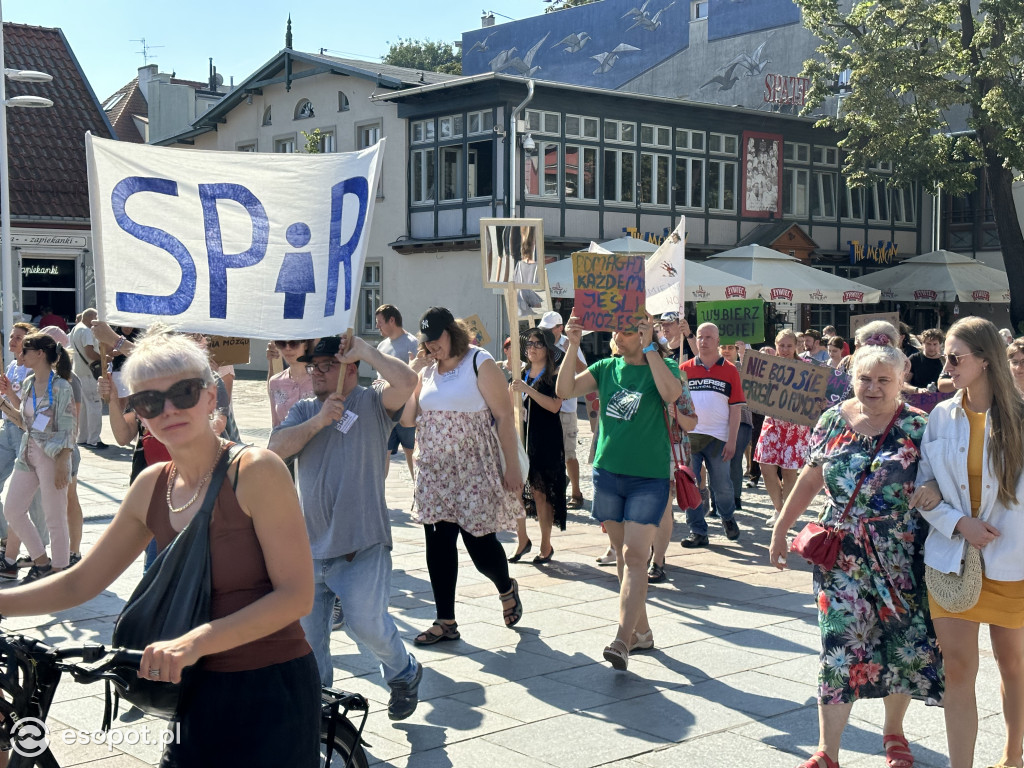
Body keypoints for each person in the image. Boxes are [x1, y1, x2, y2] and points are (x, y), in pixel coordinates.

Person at [0, 328, 319, 765]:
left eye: (184, 392)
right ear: (139, 415)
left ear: (211, 397)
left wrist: (193, 642)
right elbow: (81, 583)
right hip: (193, 689)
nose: (168, 409)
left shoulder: (254, 470)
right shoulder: (152, 485)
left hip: (268, 690)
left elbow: (297, 596)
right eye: (149, 401)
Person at [769, 343, 943, 768]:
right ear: (852, 379)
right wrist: (780, 527)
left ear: (902, 381)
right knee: (837, 645)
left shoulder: (920, 427)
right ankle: (828, 750)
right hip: (841, 556)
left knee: (899, 643)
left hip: (899, 555)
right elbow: (811, 478)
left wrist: (934, 490)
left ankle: (893, 732)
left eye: (884, 380)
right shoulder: (833, 420)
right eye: (865, 378)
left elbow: (945, 480)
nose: (874, 387)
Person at [268, 334, 423, 721]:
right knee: (307, 642)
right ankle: (321, 708)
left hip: (361, 545)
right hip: (309, 549)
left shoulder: (371, 402)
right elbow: (273, 449)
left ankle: (404, 670)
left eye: (326, 366)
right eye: (314, 367)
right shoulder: (305, 409)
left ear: (349, 368)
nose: (317, 373)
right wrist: (321, 420)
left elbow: (407, 384)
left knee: (366, 624)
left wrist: (368, 351)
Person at [911, 316, 1024, 768]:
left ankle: (1013, 757)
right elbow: (924, 487)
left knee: (1012, 666)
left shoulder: (1019, 415)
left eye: (955, 357)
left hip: (1010, 558)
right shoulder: (942, 414)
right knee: (957, 671)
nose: (947, 364)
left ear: (984, 360)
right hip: (952, 557)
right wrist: (958, 522)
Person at [556, 314, 682, 670]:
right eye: (618, 330)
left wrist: (652, 349)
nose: (619, 336)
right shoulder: (606, 367)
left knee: (636, 555)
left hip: (649, 477)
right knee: (623, 557)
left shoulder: (665, 363)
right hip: (608, 473)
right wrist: (573, 344)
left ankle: (621, 640)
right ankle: (641, 632)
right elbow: (564, 391)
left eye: (628, 330)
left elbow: (672, 394)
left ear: (644, 332)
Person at [402, 308, 525, 645]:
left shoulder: (478, 361)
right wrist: (414, 373)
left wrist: (511, 466)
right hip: (434, 471)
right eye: (427, 343)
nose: (432, 348)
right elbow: (409, 419)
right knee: (438, 545)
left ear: (451, 333)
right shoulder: (427, 370)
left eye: (436, 340)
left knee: (480, 544)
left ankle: (505, 586)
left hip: (473, 467)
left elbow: (503, 415)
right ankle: (446, 620)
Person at [0, 332, 76, 582]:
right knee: (13, 510)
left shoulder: (61, 386)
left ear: (40, 354)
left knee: (55, 516)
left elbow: (68, 427)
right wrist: (4, 405)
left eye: (25, 350)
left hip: (52, 456)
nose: (20, 355)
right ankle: (42, 562)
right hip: (28, 451)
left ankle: (60, 571)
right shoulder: (31, 382)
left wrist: (64, 462)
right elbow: (26, 422)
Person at [679, 323, 744, 547]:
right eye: (700, 337)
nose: (704, 341)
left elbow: (736, 408)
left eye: (708, 337)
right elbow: (676, 401)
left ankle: (727, 517)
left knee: (722, 485)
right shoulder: (684, 368)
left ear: (717, 341)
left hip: (718, 438)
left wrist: (732, 441)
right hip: (690, 437)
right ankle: (697, 530)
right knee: (690, 483)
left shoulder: (730, 370)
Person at [508, 327, 565, 565]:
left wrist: (527, 390)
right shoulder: (520, 372)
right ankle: (522, 539)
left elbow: (555, 406)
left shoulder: (554, 375)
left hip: (544, 439)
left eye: (536, 344)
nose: (530, 348)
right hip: (520, 438)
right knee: (514, 490)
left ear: (548, 350)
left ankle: (545, 543)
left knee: (541, 494)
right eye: (529, 344)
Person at [754, 329, 811, 526]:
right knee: (766, 467)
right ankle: (780, 509)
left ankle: (785, 515)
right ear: (776, 346)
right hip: (773, 424)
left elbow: (817, 395)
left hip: (796, 427)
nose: (785, 349)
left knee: (789, 471)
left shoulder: (808, 368)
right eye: (782, 345)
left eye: (789, 345)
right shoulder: (769, 366)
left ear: (796, 346)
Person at [648, 372, 697, 583]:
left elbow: (691, 423)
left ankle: (657, 560)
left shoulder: (676, 380)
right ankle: (647, 551)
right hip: (636, 451)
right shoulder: (629, 373)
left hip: (668, 450)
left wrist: (674, 412)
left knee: (663, 507)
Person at [0, 323, 45, 554]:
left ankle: (41, 545)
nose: (12, 341)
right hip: (7, 429)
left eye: (18, 337)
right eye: (11, 336)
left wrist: (7, 395)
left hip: (24, 431)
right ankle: (5, 536)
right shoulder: (10, 366)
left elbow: (28, 409)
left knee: (32, 493)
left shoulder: (33, 370)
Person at [538, 311, 587, 509]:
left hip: (565, 407)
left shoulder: (569, 342)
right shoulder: (540, 343)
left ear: (559, 328)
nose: (546, 333)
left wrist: (571, 350)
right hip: (545, 406)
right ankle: (553, 491)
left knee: (569, 453)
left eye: (549, 330)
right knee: (547, 452)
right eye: (544, 330)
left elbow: (584, 369)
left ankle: (576, 492)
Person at [376, 304, 419, 478]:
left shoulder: (412, 344)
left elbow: (418, 376)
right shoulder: (381, 346)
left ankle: (418, 494)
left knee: (411, 451)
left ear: (391, 320)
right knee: (384, 452)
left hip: (407, 409)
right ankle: (380, 499)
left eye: (380, 322)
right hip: (385, 410)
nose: (377, 326)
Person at [68, 308, 105, 448]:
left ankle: (82, 437)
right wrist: (104, 359)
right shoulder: (87, 331)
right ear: (91, 318)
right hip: (89, 373)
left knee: (83, 407)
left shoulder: (75, 329)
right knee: (95, 405)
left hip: (78, 372)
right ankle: (94, 439)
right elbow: (90, 352)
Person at [265, 339, 315, 428]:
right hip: (286, 440)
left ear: (306, 345)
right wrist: (271, 362)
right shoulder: (275, 382)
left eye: (294, 343)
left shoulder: (320, 379)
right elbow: (276, 424)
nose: (287, 348)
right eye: (281, 343)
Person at [906, 328, 945, 392]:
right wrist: (917, 390)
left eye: (935, 344)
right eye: (928, 344)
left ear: (940, 344)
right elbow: (903, 383)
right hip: (918, 398)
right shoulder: (914, 359)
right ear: (923, 344)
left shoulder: (945, 361)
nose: (932, 348)